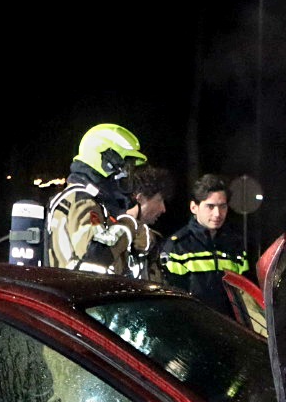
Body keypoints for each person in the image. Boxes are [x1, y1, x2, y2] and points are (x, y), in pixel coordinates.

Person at [45, 123, 147, 273]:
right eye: (124, 168)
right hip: (76, 293)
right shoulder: (82, 200)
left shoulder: (93, 201)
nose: (126, 175)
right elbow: (95, 254)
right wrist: (128, 225)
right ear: (106, 162)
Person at [161, 174, 247, 317]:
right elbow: (171, 299)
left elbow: (245, 294)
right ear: (194, 207)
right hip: (194, 329)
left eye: (223, 206)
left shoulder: (234, 244)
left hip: (231, 330)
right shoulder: (178, 247)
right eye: (210, 206)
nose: (217, 213)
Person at [118, 166, 172, 281]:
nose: (163, 209)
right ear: (140, 198)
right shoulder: (116, 234)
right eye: (159, 200)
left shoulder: (153, 239)